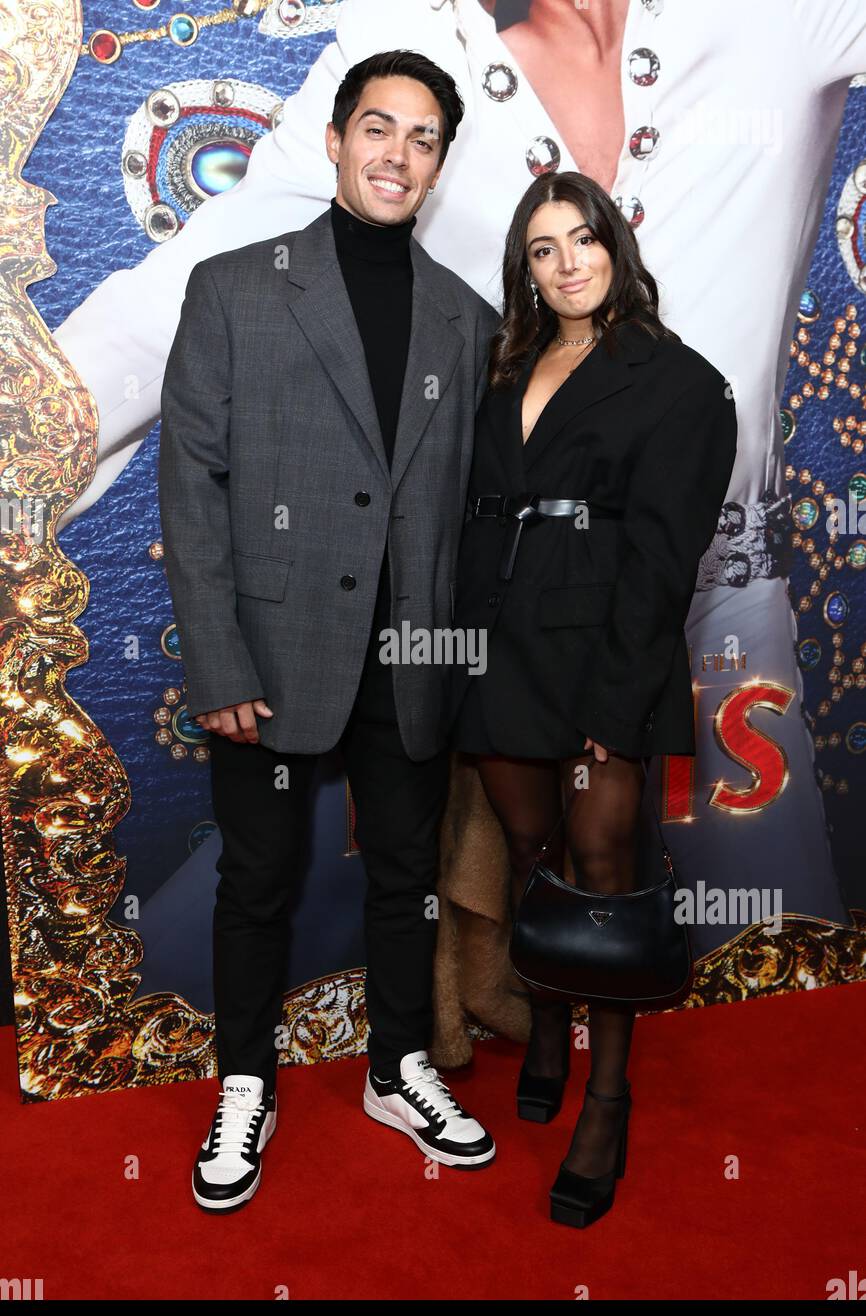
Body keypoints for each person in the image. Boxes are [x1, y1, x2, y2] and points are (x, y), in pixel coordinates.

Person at [55, 0, 865, 958]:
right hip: (512, 609)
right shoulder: (404, 47)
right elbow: (167, 311)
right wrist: (29, 434)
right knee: (457, 896)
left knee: (781, 957)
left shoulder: (775, 17)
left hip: (719, 615)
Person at [158, 49, 500, 1212]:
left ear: (440, 162)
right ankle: (243, 1079)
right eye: (376, 128)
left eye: (420, 137)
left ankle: (397, 1064)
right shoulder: (236, 287)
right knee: (257, 882)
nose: (396, 152)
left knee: (406, 874)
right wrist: (216, 656)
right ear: (337, 140)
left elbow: (469, 513)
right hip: (267, 661)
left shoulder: (468, 319)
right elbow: (189, 486)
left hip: (408, 667)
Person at [449, 170, 738, 1227]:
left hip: (604, 660)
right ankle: (546, 1024)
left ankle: (605, 1098)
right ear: (523, 268)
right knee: (534, 862)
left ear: (614, 245)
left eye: (582, 238)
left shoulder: (678, 382)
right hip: (499, 650)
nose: (566, 262)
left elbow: (664, 561)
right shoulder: (504, 363)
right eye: (541, 248)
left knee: (604, 883)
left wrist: (612, 710)